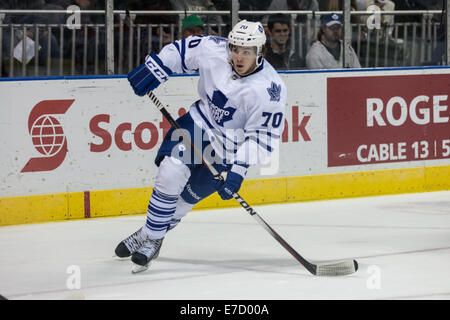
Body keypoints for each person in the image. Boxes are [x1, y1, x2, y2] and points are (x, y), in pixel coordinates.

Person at [115, 20, 287, 273]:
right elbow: (183, 51)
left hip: (228, 148)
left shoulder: (270, 90)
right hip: (197, 125)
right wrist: (157, 67)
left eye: (247, 51)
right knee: (170, 174)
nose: (238, 56)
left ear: (260, 52)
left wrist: (238, 171)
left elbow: (261, 136)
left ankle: (146, 233)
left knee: (184, 201)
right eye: (235, 48)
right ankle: (153, 239)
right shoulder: (213, 49)